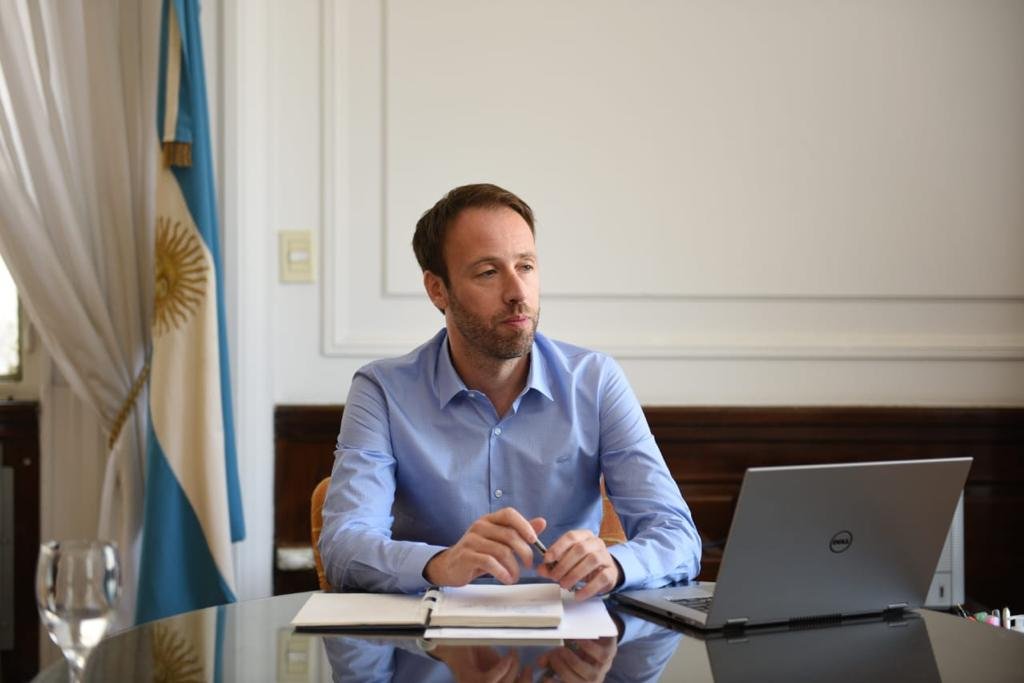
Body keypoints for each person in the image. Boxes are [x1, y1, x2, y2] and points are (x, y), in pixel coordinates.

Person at [320, 183, 700, 600]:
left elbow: (677, 536)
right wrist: (442, 564)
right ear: (437, 289)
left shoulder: (595, 380)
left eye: (526, 266)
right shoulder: (382, 391)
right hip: (433, 633)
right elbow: (343, 544)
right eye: (488, 272)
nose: (518, 293)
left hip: (571, 632)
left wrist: (617, 564)